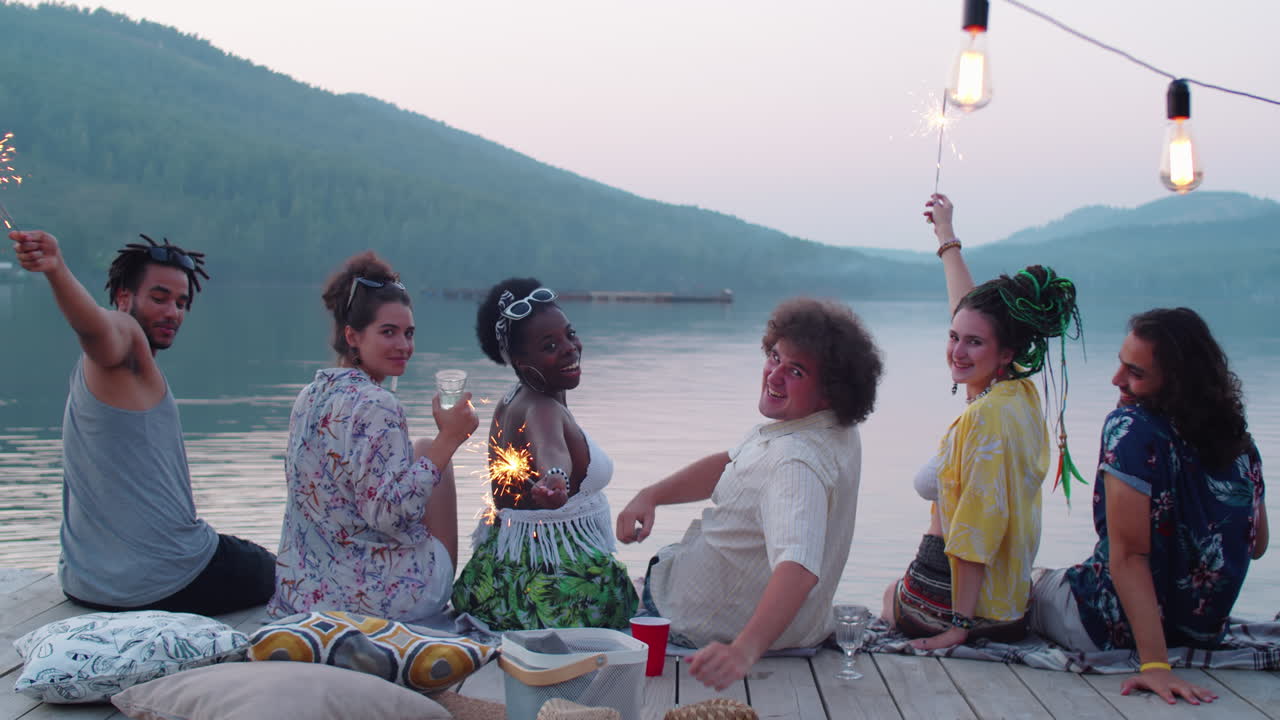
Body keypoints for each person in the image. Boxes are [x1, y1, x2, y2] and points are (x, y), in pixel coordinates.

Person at [616, 297, 883, 691]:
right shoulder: (822, 428)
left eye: (796, 371)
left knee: (573, 594)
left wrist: (743, 650)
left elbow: (799, 566)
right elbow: (731, 462)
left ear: (831, 391)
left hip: (703, 628)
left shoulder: (794, 461)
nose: (774, 376)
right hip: (792, 626)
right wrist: (652, 494)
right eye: (775, 357)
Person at [10, 229, 275, 615]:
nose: (173, 312)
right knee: (283, 572)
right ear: (123, 298)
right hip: (163, 583)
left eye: (181, 302)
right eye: (159, 298)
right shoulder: (124, 338)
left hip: (87, 583)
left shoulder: (119, 371)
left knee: (231, 549)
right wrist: (56, 269)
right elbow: (96, 329)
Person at [1030, 307, 1268, 705]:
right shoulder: (1240, 442)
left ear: (1176, 385)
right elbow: (1256, 544)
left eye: (1135, 374)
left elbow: (1127, 556)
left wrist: (1155, 665)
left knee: (1027, 585)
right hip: (1200, 633)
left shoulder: (1131, 428)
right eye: (1122, 365)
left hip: (1105, 628)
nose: (1116, 380)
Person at [880, 194, 1081, 651]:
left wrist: (958, 628)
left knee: (891, 597)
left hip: (962, 601)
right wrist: (946, 238)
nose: (957, 351)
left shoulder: (987, 418)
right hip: (1007, 598)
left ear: (1004, 353)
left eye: (972, 343)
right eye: (953, 338)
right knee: (893, 592)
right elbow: (968, 311)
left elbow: (974, 528)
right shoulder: (1016, 393)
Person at [267, 252, 478, 622]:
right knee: (429, 449)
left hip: (302, 592)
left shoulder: (309, 396)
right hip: (372, 602)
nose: (404, 346)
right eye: (388, 332)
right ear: (352, 336)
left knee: (420, 454)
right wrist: (450, 438)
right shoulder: (377, 403)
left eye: (408, 333)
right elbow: (388, 516)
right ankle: (435, 599)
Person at [451, 278, 639, 631]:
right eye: (550, 344)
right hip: (555, 596)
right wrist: (556, 477)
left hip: (495, 586)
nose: (570, 348)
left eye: (570, 334)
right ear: (519, 360)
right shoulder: (542, 409)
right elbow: (549, 446)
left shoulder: (511, 399)